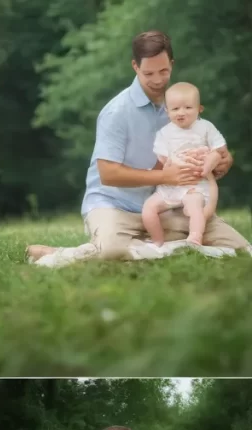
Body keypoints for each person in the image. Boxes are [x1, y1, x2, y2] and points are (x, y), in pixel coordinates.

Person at [26, 31, 249, 266]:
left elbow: (211, 147)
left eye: (163, 71)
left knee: (241, 249)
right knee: (112, 250)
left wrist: (223, 161)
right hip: (115, 205)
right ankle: (81, 252)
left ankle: (146, 247)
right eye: (148, 73)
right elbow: (108, 174)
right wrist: (167, 176)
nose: (158, 80)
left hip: (168, 203)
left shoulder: (179, 106)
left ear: (172, 65)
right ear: (135, 66)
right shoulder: (117, 112)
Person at [141, 83, 226, 246]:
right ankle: (157, 240)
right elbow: (164, 159)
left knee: (195, 207)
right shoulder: (164, 133)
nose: (181, 112)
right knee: (148, 208)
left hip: (196, 183)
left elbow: (218, 150)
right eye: (175, 109)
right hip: (171, 185)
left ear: (199, 109)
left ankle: (195, 237)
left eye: (188, 107)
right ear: (167, 111)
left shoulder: (205, 127)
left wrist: (208, 163)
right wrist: (177, 162)